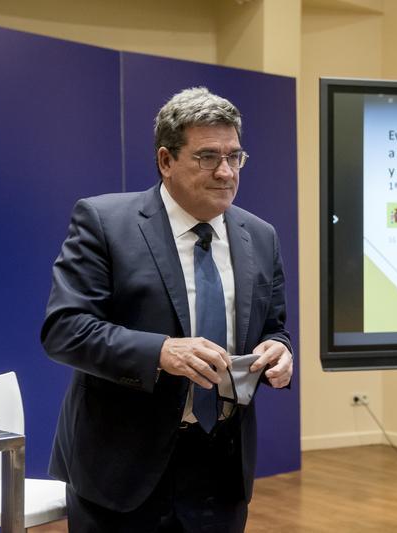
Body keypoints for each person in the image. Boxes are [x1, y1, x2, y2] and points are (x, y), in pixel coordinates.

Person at [41, 87, 293, 532]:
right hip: (121, 469)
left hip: (221, 470)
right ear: (165, 160)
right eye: (207, 157)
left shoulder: (260, 236)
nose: (225, 172)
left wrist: (279, 349)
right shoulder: (105, 223)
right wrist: (161, 352)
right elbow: (66, 330)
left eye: (234, 157)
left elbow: (274, 327)